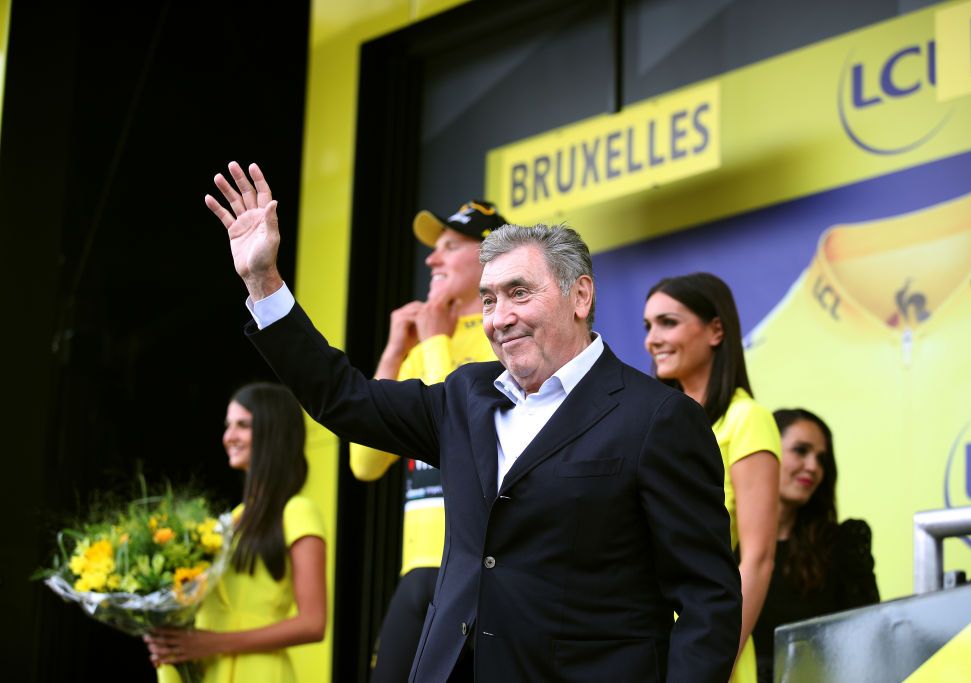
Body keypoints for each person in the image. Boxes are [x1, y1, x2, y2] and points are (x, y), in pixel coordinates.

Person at [207, 161, 741, 682]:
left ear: (580, 296)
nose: (498, 318)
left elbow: (707, 601)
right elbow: (344, 399)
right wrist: (263, 280)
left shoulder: (658, 418)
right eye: (488, 299)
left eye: (519, 293)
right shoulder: (466, 396)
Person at [351, 201, 503, 682]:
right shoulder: (417, 349)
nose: (431, 261)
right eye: (433, 250)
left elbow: (463, 435)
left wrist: (435, 343)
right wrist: (396, 354)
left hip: (477, 570)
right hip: (416, 568)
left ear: (489, 257)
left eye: (449, 247)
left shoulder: (504, 339)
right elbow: (366, 463)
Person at [643, 273, 781, 683]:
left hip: (707, 645)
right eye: (648, 326)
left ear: (716, 330)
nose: (652, 339)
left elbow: (757, 558)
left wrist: (714, 660)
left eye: (668, 322)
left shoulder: (747, 419)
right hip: (639, 640)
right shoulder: (650, 422)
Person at [144, 382, 328, 682]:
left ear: (273, 432)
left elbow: (313, 623)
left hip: (261, 673)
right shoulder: (226, 522)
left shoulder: (297, 511)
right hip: (209, 672)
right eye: (228, 426)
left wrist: (212, 643)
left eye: (243, 425)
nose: (229, 437)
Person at [752, 408, 879, 683]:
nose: (813, 467)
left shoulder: (842, 544)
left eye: (821, 459)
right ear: (767, 453)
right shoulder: (724, 541)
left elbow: (867, 643)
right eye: (801, 450)